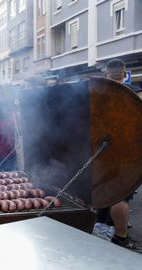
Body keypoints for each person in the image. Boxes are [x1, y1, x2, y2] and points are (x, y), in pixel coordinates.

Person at [94, 58, 142, 252]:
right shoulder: (135, 93)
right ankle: (120, 238)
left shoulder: (97, 92)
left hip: (100, 151)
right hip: (125, 153)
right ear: (124, 74)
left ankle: (101, 226)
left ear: (107, 74)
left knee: (103, 189)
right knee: (121, 197)